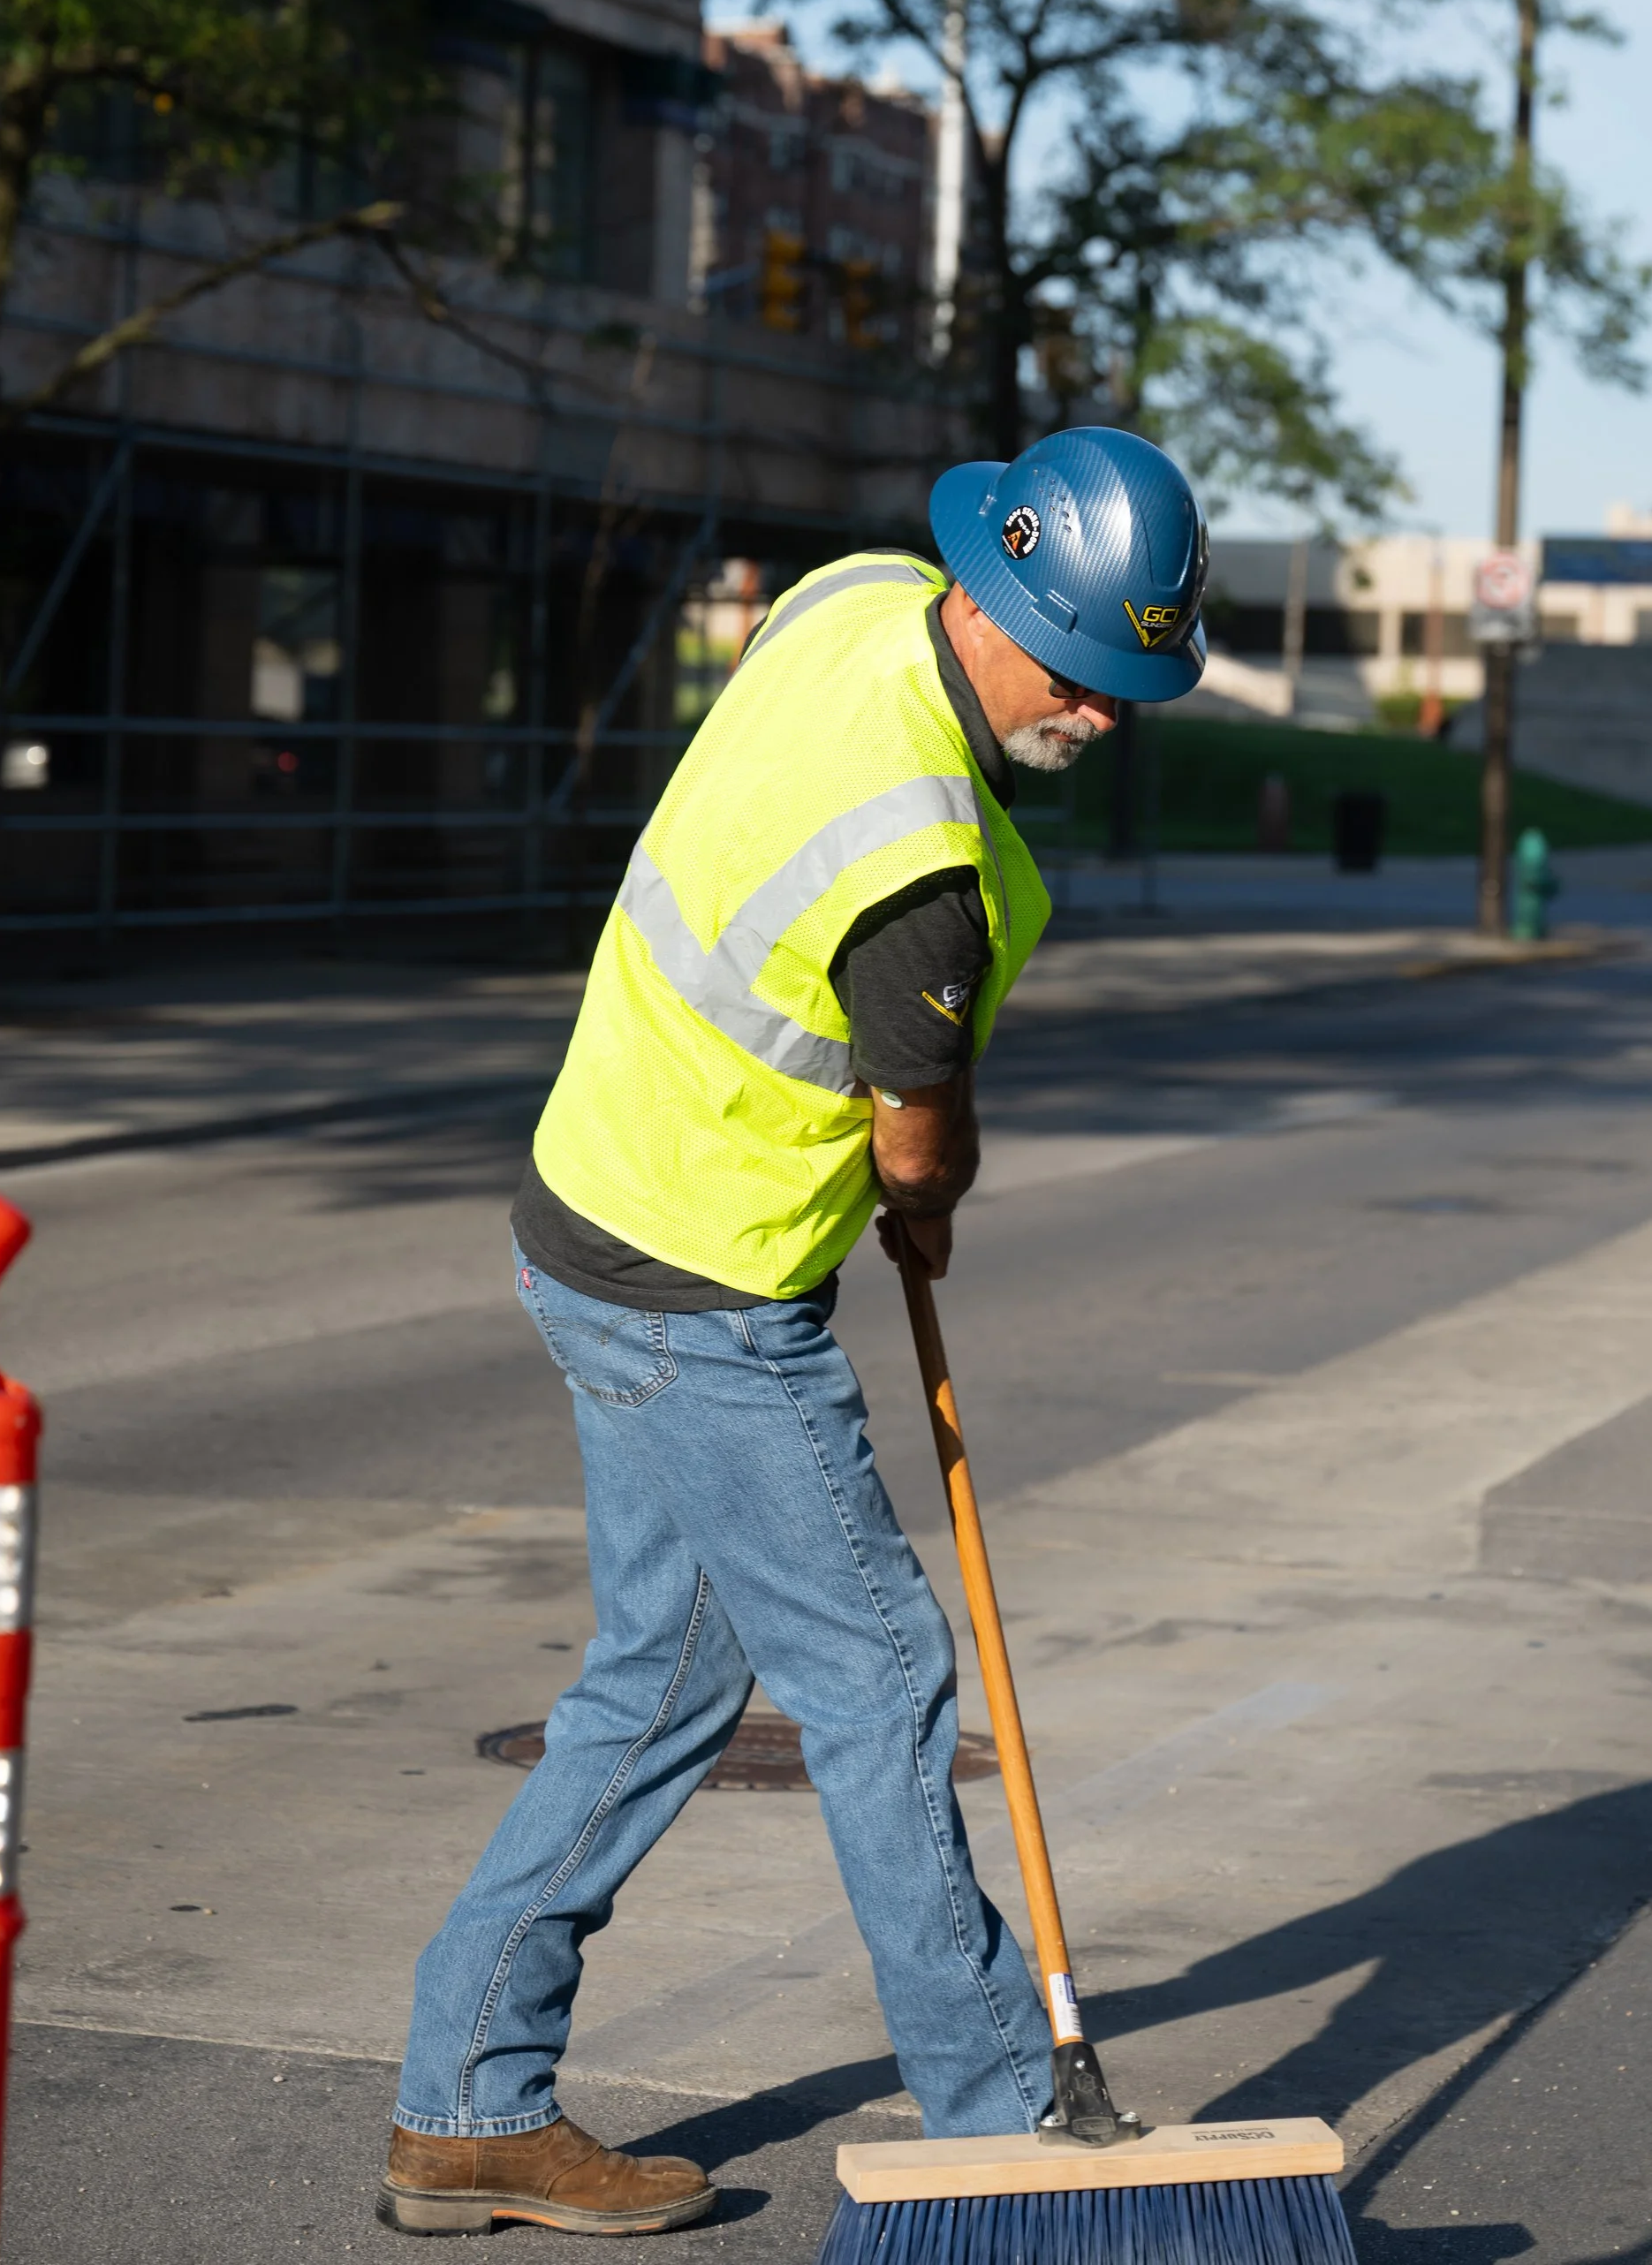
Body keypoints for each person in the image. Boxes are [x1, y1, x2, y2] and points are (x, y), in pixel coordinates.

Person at [380, 428, 1209, 2238]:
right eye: (1080, 670)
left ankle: (463, 2107)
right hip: (700, 1291)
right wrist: (922, 1202)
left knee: (656, 1691)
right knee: (882, 1686)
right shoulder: (916, 866)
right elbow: (917, 1131)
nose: (1103, 712)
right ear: (994, 604)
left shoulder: (847, 601)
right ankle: (1004, 2117)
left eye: (1130, 678)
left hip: (592, 1213)